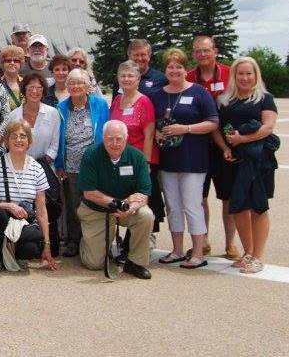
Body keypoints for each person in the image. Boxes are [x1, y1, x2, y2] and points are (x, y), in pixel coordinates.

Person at [149, 48, 218, 269]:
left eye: (179, 66)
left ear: (185, 69)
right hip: (168, 160)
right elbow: (152, 123)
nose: (175, 70)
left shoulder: (199, 93)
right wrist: (157, 133)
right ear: (165, 69)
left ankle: (198, 252)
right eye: (170, 66)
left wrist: (186, 128)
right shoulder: (158, 94)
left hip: (193, 161)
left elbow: (213, 122)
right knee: (173, 206)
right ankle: (177, 250)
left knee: (191, 205)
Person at [211, 57, 278, 274]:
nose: (245, 77)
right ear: (234, 76)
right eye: (241, 73)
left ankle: (258, 256)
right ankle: (247, 252)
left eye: (249, 73)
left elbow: (268, 127)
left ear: (256, 75)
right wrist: (226, 148)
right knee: (238, 206)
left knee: (258, 206)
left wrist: (242, 140)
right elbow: (217, 128)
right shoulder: (224, 100)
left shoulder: (264, 98)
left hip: (258, 160)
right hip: (233, 160)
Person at [76, 121, 155, 279]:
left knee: (146, 215)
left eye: (119, 139)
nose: (114, 143)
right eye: (110, 138)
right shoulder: (91, 155)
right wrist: (119, 202)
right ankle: (87, 243)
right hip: (96, 210)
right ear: (103, 138)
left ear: (126, 138)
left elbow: (144, 194)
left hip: (126, 208)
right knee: (94, 264)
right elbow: (89, 193)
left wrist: (131, 207)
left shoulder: (137, 157)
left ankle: (135, 262)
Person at [0, 120, 57, 272]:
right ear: (6, 141)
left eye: (23, 136)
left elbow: (42, 210)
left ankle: (15, 253)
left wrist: (47, 245)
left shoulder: (37, 169)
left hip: (24, 221)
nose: (18, 140)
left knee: (31, 249)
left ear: (29, 141)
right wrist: (8, 205)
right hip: (2, 219)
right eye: (14, 136)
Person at [187, 35, 235, 258]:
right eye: (197, 51)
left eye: (205, 50)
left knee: (228, 196)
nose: (202, 54)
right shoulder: (188, 77)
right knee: (199, 196)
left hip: (226, 144)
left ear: (215, 51)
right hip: (197, 145)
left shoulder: (230, 74)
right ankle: (203, 239)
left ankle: (230, 243)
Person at [55, 68, 109, 257]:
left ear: (88, 86)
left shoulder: (100, 105)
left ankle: (98, 243)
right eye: (72, 83)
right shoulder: (61, 108)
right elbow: (59, 139)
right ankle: (73, 241)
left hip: (96, 166)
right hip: (71, 166)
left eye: (80, 82)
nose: (76, 86)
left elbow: (106, 132)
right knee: (73, 206)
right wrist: (59, 164)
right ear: (67, 86)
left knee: (97, 204)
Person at [8, 73, 61, 254]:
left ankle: (49, 244)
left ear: (44, 91)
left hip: (44, 165)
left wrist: (44, 160)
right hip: (19, 166)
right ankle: (25, 242)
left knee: (46, 205)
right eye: (30, 87)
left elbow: (55, 143)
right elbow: (11, 142)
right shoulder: (13, 115)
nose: (35, 91)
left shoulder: (53, 113)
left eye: (39, 88)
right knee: (24, 205)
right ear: (24, 90)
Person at [110, 61, 163, 236]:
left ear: (138, 79)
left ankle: (145, 240)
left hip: (139, 159)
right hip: (119, 158)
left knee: (140, 202)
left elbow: (149, 135)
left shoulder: (144, 101)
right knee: (124, 200)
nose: (126, 79)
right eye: (122, 75)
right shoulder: (117, 100)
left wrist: (145, 163)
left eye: (130, 75)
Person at [0, 45, 25, 110]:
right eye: (8, 60)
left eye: (16, 60)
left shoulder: (26, 83)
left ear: (20, 63)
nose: (12, 63)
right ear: (2, 63)